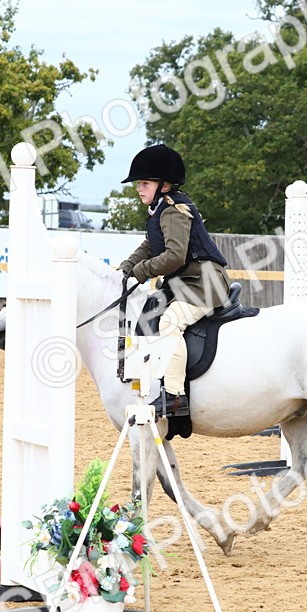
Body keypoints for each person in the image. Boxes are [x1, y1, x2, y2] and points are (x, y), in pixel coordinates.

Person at [118, 145, 231, 418]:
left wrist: (141, 271)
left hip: (205, 283)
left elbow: (174, 256)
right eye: (138, 183)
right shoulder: (160, 210)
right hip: (187, 282)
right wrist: (125, 267)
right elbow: (149, 245)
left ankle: (175, 397)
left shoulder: (174, 211)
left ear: (165, 185)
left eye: (144, 183)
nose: (139, 188)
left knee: (170, 323)